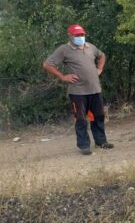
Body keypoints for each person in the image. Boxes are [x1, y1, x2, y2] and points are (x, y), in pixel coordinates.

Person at [43, 24, 114, 155]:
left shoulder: (90, 47)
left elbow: (102, 55)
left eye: (82, 35)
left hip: (95, 89)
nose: (80, 37)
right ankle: (84, 146)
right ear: (69, 36)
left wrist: (99, 69)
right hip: (78, 92)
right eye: (76, 35)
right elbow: (47, 64)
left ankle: (101, 142)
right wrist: (63, 76)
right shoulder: (64, 50)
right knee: (81, 119)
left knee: (98, 116)